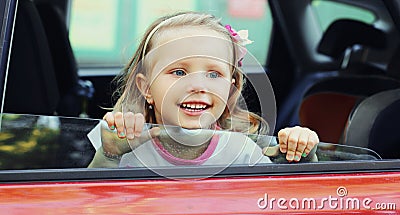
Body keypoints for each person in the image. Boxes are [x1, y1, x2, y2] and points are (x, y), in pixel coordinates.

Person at [88, 12, 319, 168]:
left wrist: (302, 155)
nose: (198, 86)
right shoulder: (121, 141)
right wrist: (109, 155)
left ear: (231, 89)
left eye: (213, 74)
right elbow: (88, 200)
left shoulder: (241, 152)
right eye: (179, 72)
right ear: (146, 88)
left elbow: (279, 199)